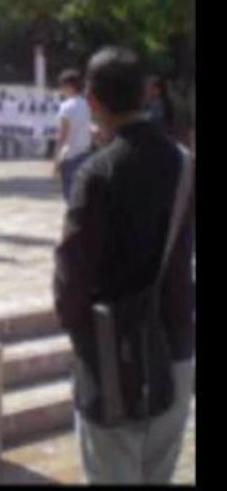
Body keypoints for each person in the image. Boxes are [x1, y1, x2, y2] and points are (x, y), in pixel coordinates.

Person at [54, 47, 194, 484]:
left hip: (112, 358)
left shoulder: (97, 173)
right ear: (148, 93)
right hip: (175, 351)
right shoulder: (184, 164)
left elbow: (71, 281)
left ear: (92, 100)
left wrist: (81, 341)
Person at [53, 70, 93, 202]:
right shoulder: (88, 105)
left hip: (70, 156)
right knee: (83, 195)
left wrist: (56, 159)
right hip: (86, 154)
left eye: (62, 86)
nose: (61, 90)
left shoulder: (66, 106)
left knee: (70, 196)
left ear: (69, 86)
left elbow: (62, 135)